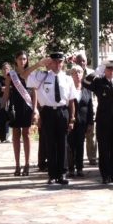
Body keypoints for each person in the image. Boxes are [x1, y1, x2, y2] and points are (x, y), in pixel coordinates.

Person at [24, 52, 77, 185]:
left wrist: (72, 119)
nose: (58, 64)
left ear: (63, 63)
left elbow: (71, 101)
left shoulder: (68, 78)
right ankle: (52, 174)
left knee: (62, 143)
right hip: (47, 112)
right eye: (55, 62)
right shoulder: (42, 76)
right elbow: (24, 75)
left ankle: (62, 174)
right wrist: (38, 64)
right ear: (50, 62)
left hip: (62, 112)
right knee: (50, 144)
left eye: (60, 62)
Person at [83, 60, 113, 184]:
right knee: (104, 149)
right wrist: (97, 71)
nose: (111, 71)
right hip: (103, 121)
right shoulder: (99, 82)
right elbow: (85, 82)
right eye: (108, 69)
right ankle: (105, 175)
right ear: (105, 70)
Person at [2, 51, 37, 177]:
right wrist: (2, 107)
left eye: (24, 59)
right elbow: (6, 92)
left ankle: (27, 164)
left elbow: (34, 93)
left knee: (26, 134)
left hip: (27, 107)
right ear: (15, 60)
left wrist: (35, 109)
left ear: (27, 60)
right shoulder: (11, 75)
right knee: (16, 135)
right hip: (14, 108)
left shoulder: (30, 74)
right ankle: (17, 165)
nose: (22, 61)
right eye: (20, 59)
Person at [67, 65, 93, 177]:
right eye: (74, 72)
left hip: (83, 122)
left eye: (79, 72)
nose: (77, 74)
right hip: (70, 122)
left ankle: (80, 168)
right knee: (71, 145)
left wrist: (90, 122)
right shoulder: (68, 89)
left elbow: (90, 107)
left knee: (80, 145)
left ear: (83, 74)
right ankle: (71, 168)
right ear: (71, 75)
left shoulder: (87, 90)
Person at [74, 54, 98, 166]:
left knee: (91, 133)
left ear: (86, 61)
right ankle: (77, 158)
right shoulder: (73, 72)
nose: (81, 63)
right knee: (77, 136)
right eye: (79, 61)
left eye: (83, 61)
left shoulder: (92, 73)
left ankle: (92, 157)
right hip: (77, 107)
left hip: (91, 104)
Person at [0, 62, 12, 143]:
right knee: (0, 117)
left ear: (10, 69)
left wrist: (6, 88)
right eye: (4, 69)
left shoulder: (13, 78)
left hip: (11, 100)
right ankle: (2, 136)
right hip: (1, 100)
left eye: (7, 68)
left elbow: (12, 89)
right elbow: (0, 89)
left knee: (10, 117)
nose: (5, 70)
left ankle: (9, 136)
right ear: (2, 70)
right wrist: (8, 88)